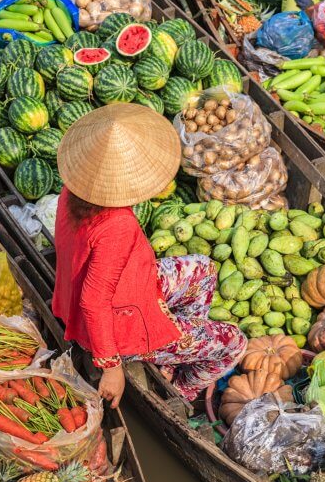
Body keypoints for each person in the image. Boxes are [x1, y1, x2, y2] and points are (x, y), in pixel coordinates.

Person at [52, 103, 247, 408]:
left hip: (129, 288)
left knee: (204, 269)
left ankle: (170, 357)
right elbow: (94, 300)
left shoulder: (73, 190)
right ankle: (180, 391)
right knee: (234, 342)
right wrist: (112, 368)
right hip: (119, 327)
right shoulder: (118, 223)